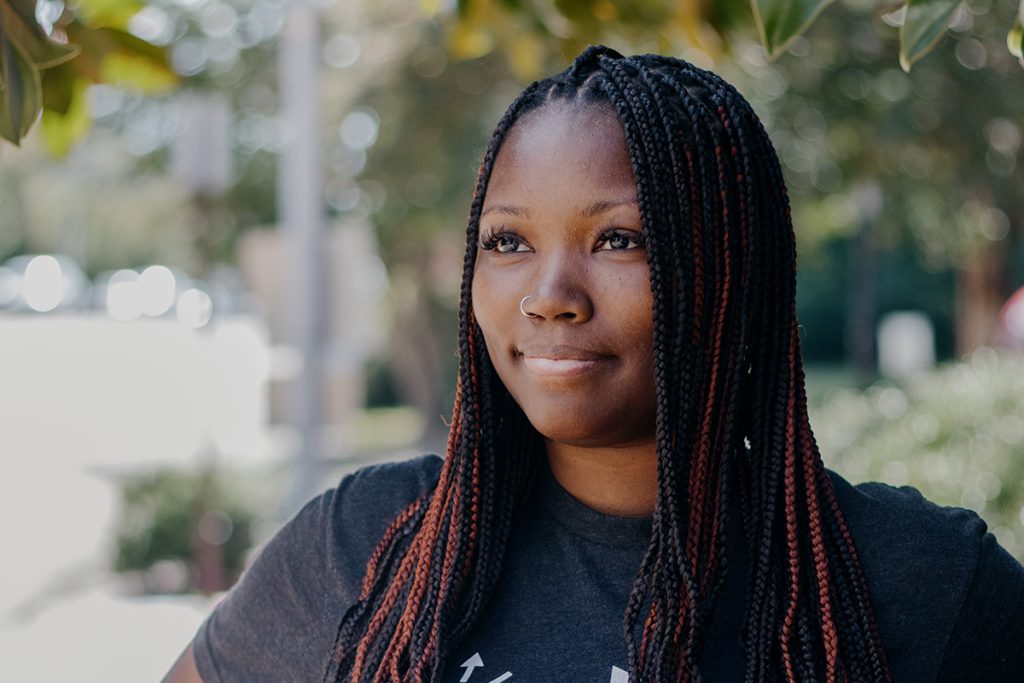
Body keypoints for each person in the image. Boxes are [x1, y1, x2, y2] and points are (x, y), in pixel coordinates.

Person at [164, 46, 1024, 683]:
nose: (549, 295)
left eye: (620, 238)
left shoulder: (921, 578)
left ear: (730, 267)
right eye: (508, 242)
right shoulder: (363, 543)